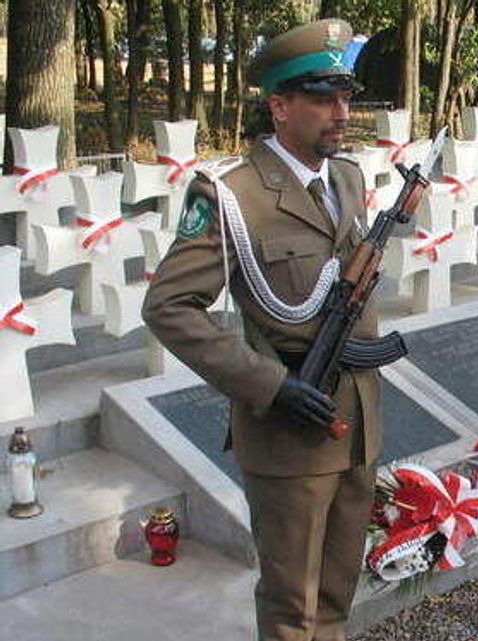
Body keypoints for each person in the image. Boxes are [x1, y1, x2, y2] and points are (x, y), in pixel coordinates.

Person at [143, 19, 382, 641]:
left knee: (336, 594)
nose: (341, 111)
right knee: (290, 606)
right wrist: (270, 385)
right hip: (289, 430)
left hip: (356, 422)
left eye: (346, 96)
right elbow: (169, 306)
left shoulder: (347, 179)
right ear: (279, 105)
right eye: (323, 97)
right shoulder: (230, 195)